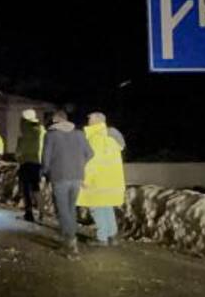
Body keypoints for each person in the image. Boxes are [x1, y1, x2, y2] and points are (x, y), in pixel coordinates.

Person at [41, 110, 93, 254]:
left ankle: (70, 240)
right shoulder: (79, 134)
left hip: (59, 176)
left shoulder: (51, 135)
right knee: (71, 208)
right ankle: (70, 236)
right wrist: (79, 164)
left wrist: (45, 172)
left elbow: (46, 158)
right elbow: (90, 153)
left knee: (63, 210)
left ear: (55, 120)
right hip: (77, 176)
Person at [77, 112, 126, 246]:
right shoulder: (110, 138)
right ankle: (112, 235)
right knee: (106, 207)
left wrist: (85, 179)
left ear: (98, 120)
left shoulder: (96, 137)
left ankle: (101, 238)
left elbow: (93, 162)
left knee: (97, 208)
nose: (88, 119)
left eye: (91, 118)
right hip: (110, 180)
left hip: (98, 181)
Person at [15, 108, 45, 222]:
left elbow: (21, 146)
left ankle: (29, 213)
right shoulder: (40, 129)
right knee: (36, 187)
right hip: (36, 161)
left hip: (25, 161)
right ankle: (42, 212)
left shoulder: (25, 129)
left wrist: (18, 155)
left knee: (26, 189)